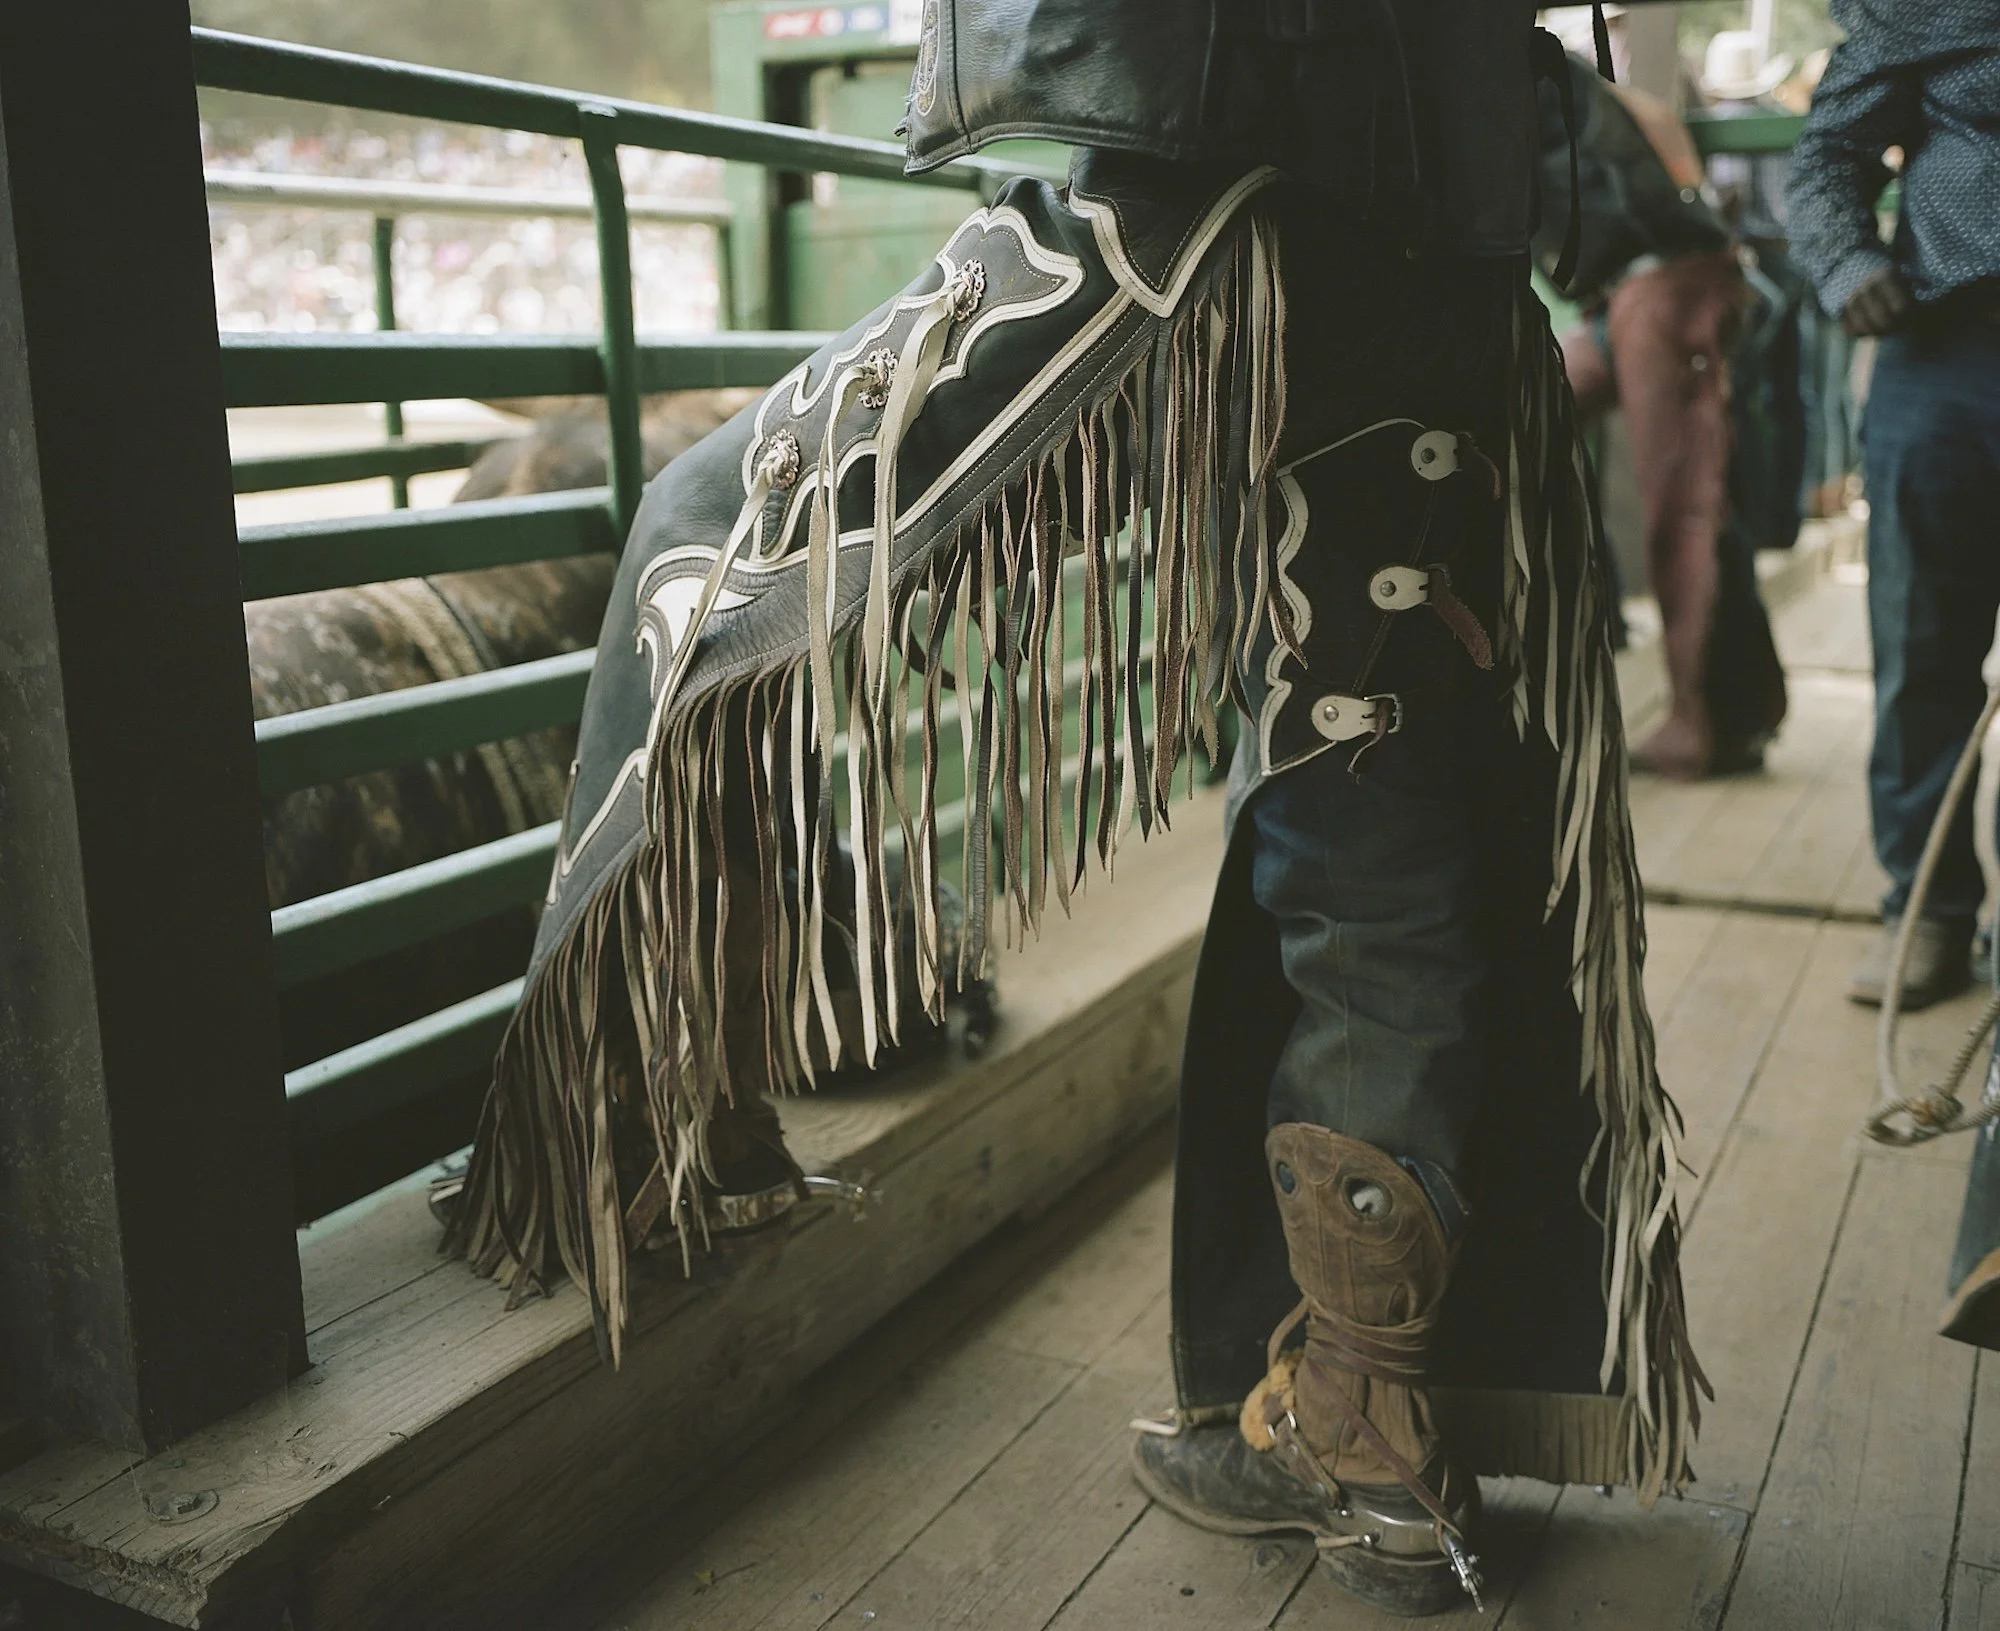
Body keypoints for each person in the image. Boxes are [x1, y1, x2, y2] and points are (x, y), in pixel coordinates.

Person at [447, 3, 1703, 1615]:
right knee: (1371, 830)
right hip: (1442, 246)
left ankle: (647, 1119)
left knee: (710, 530)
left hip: (1202, 184)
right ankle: (1367, 1428)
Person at [1785, 1, 2000, 1009]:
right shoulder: (1918, 10)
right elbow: (1824, 156)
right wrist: (1845, 259)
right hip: (1945, 351)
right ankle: (1926, 913)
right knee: (1920, 646)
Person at [1535, 47, 1790, 779]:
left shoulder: (1500, 64)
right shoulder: (1563, 73)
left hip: (1661, 283)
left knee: (1686, 507)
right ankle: (1596, 652)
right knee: (1521, 420)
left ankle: (1708, 719)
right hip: (1621, 293)